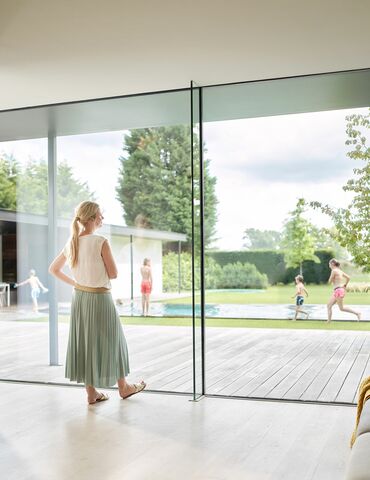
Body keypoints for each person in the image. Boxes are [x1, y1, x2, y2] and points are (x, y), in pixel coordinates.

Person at [49, 201, 146, 405]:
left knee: (85, 342)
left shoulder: (72, 242)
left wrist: (76, 282)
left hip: (80, 298)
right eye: (101, 215)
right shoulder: (100, 241)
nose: (102, 219)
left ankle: (91, 393)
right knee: (114, 340)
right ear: (92, 218)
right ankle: (124, 387)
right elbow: (113, 273)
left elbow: (54, 269)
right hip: (101, 298)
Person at [327, 258, 361, 323]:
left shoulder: (334, 271)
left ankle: (357, 313)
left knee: (341, 308)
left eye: (329, 264)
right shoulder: (340, 271)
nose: (329, 265)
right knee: (329, 305)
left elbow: (329, 281)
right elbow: (348, 277)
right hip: (338, 290)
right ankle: (328, 322)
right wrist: (345, 285)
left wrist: (332, 279)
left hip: (338, 290)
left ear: (332, 264)